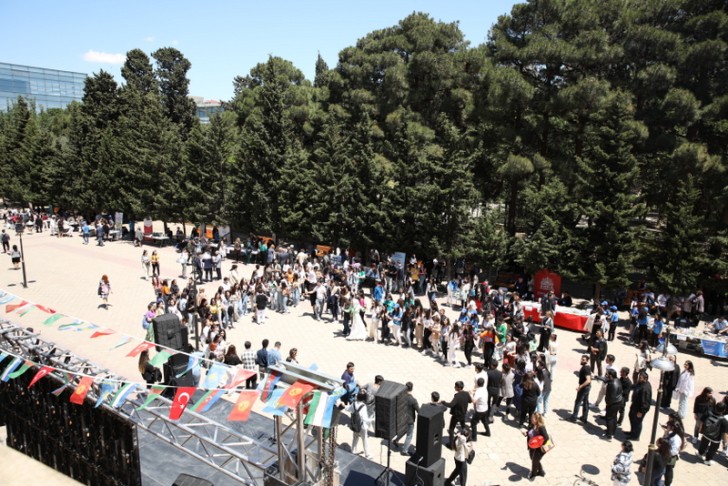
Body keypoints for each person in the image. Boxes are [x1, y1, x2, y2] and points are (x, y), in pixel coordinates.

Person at [441, 381, 472, 450]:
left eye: (455, 386)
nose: (454, 387)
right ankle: (467, 439)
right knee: (463, 427)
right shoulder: (466, 393)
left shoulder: (457, 396)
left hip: (456, 415)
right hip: (463, 414)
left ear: (458, 388)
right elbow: (470, 401)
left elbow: (451, 405)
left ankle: (451, 445)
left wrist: (444, 402)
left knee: (451, 429)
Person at [393, 381, 419, 455]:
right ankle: (405, 450)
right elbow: (419, 411)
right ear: (412, 389)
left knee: (403, 430)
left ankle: (396, 440)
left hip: (401, 418)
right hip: (409, 420)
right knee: (409, 435)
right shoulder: (413, 400)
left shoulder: (400, 396)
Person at [626, 370, 652, 440]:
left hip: (639, 409)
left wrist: (641, 411)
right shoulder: (640, 383)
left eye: (640, 378)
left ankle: (635, 436)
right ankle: (632, 432)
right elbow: (635, 386)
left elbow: (645, 402)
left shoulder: (645, 388)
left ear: (645, 379)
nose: (638, 379)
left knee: (637, 422)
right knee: (631, 417)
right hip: (635, 405)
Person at [523, 412, 549, 479]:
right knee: (533, 459)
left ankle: (533, 473)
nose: (531, 420)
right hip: (532, 446)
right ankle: (541, 471)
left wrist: (540, 445)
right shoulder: (532, 425)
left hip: (538, 448)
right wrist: (526, 433)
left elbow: (546, 438)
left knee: (535, 461)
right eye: (531, 418)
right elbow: (530, 432)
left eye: (533, 419)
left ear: (537, 419)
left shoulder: (541, 427)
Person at [349, 391, 373, 460]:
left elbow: (348, 409)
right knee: (365, 440)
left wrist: (342, 406)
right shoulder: (363, 406)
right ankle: (367, 455)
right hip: (362, 426)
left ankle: (353, 451)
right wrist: (372, 419)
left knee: (355, 437)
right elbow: (365, 419)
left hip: (355, 424)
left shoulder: (353, 404)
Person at [569, 355, 592, 423]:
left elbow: (588, 380)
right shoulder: (587, 367)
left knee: (578, 402)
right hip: (587, 387)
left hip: (584, 388)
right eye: (581, 359)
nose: (581, 361)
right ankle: (584, 417)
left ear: (587, 361)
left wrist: (580, 386)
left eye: (583, 360)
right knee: (585, 402)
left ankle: (573, 418)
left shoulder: (586, 368)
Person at [603, 368, 623, 440]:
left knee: (609, 418)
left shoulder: (612, 384)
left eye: (607, 374)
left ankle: (609, 435)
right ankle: (612, 431)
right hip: (618, 402)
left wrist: (608, 403)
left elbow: (611, 397)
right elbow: (606, 380)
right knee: (614, 417)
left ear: (611, 376)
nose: (606, 375)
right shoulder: (617, 380)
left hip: (613, 403)